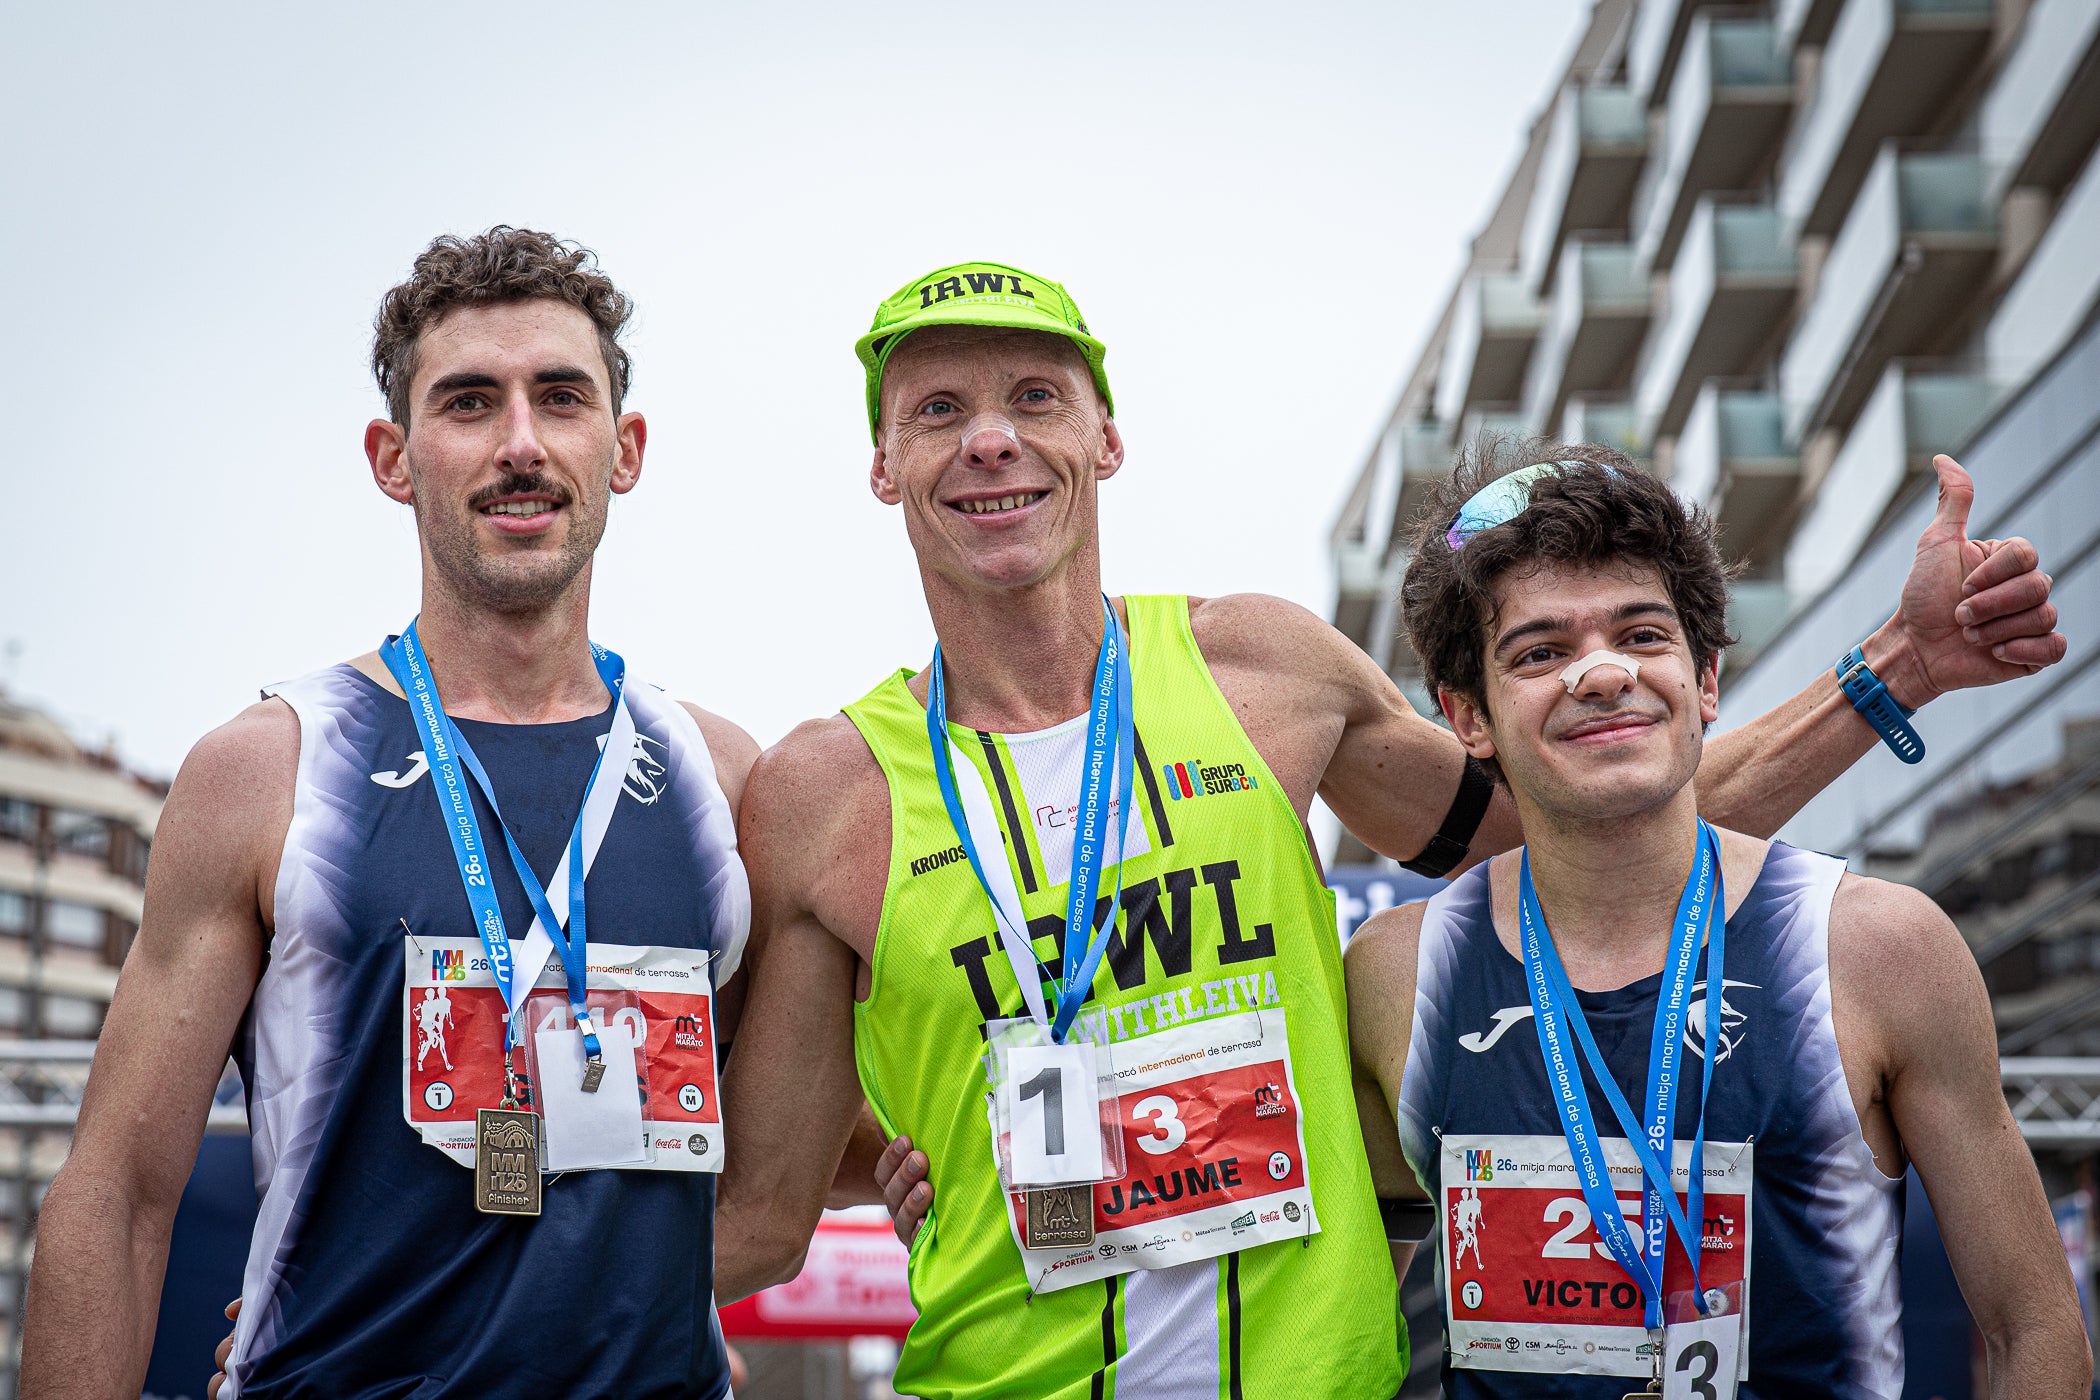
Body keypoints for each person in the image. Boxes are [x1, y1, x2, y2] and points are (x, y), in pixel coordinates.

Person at [715, 261, 2068, 1399]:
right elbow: (776, 1203)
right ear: (885, 465)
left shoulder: (1261, 671)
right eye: (937, 409)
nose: (989, 438)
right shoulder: (823, 792)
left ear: (1106, 438)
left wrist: (1890, 669)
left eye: (1033, 399)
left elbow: (1594, 823)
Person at [24, 227, 768, 1399]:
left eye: (560, 398)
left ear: (623, 449)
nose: (520, 444)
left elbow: (807, 1137)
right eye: (469, 403)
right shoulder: (270, 769)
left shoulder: (715, 777)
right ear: (394, 455)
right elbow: (115, 1193)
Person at [1344, 448, 2090, 1395]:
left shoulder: (1876, 947)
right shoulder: (1399, 975)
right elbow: (1346, 1329)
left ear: (1704, 680)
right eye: (1540, 653)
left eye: (1642, 635)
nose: (1603, 674)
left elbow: (2035, 1332)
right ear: (1467, 716)